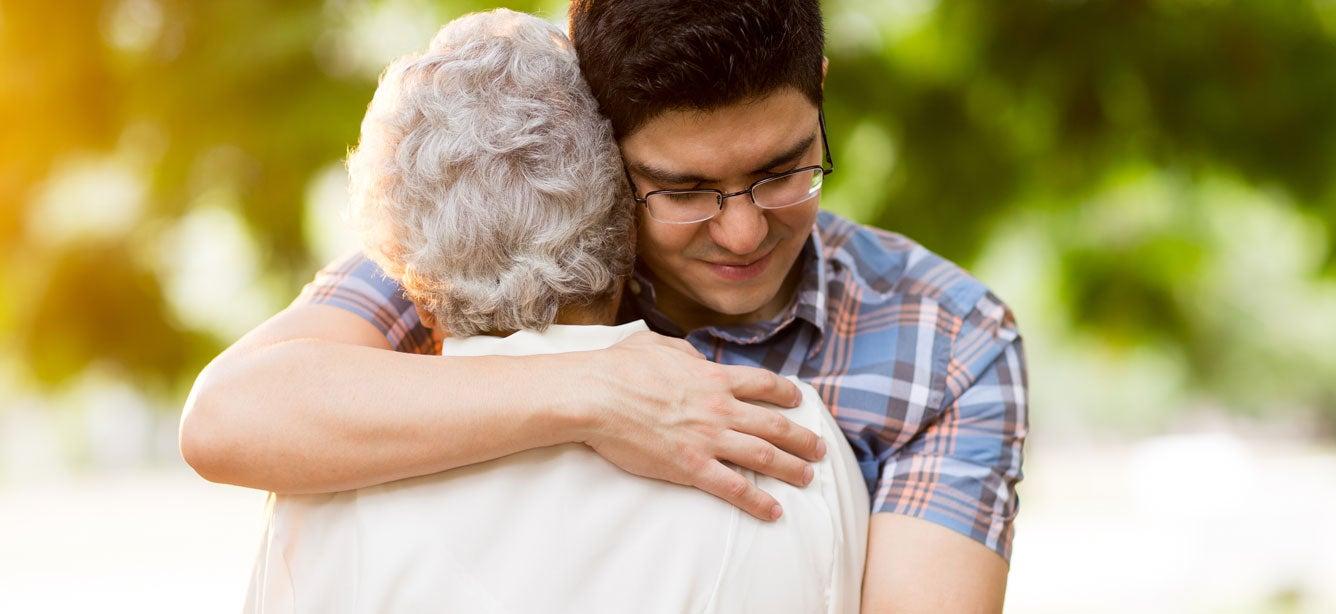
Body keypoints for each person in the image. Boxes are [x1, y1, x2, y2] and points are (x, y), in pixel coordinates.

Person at [181, 1, 1028, 610]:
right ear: (596, 140)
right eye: (684, 188)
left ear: (821, 93)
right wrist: (595, 391)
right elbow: (229, 418)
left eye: (783, 169)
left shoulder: (946, 338)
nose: (741, 232)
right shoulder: (481, 251)